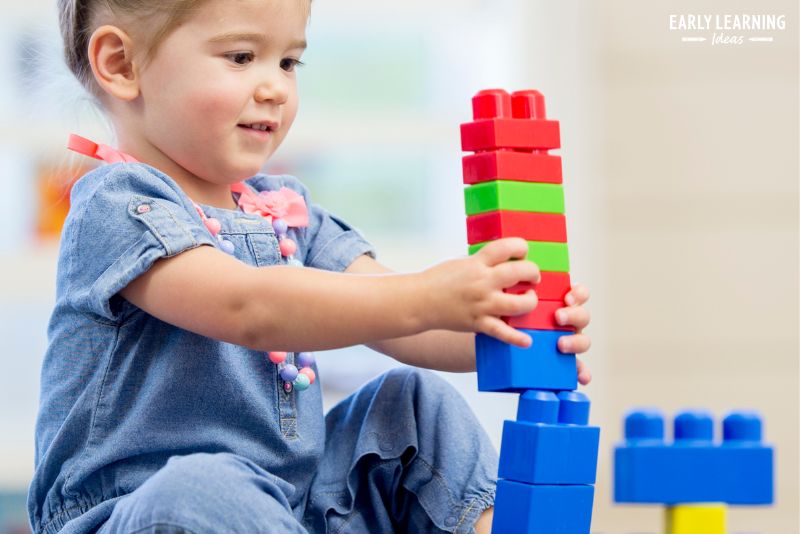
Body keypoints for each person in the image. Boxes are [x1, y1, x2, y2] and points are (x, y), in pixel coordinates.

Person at [29, 1, 592, 532]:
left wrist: (504, 330)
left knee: (414, 403)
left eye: (289, 61)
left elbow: (404, 317)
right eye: (242, 57)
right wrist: (429, 293)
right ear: (121, 64)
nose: (274, 87)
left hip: (290, 508)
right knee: (206, 483)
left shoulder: (286, 214)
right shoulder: (118, 206)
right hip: (139, 511)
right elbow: (248, 307)